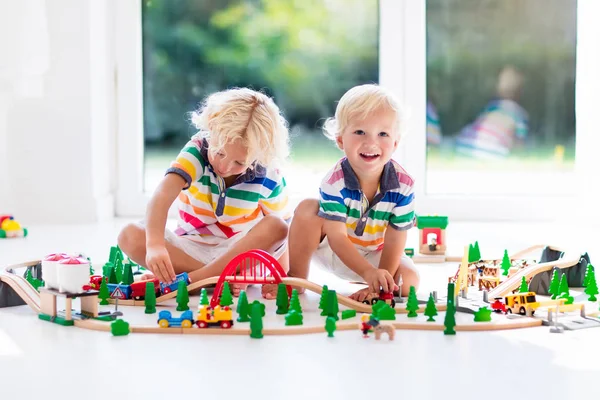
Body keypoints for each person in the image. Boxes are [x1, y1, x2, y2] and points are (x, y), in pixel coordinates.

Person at [118, 88, 291, 297]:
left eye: (239, 162)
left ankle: (193, 280)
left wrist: (278, 276)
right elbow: (163, 195)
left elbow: (280, 238)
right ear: (211, 131)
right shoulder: (198, 150)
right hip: (190, 247)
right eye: (219, 152)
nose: (225, 166)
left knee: (277, 226)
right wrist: (155, 246)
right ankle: (213, 279)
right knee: (129, 236)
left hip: (237, 255)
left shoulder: (268, 171)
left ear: (259, 155)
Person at [269, 84, 419, 302]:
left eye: (383, 134)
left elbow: (396, 239)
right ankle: (296, 278)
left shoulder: (403, 185)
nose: (371, 142)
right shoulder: (334, 182)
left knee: (411, 281)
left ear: (395, 143)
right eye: (360, 132)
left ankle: (370, 284)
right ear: (340, 140)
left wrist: (380, 282)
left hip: (373, 253)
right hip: (332, 248)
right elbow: (337, 237)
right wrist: (368, 273)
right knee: (308, 208)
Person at [455, 65, 529, 159]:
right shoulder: (519, 115)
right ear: (520, 91)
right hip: (492, 152)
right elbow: (519, 148)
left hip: (464, 145)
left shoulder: (491, 107)